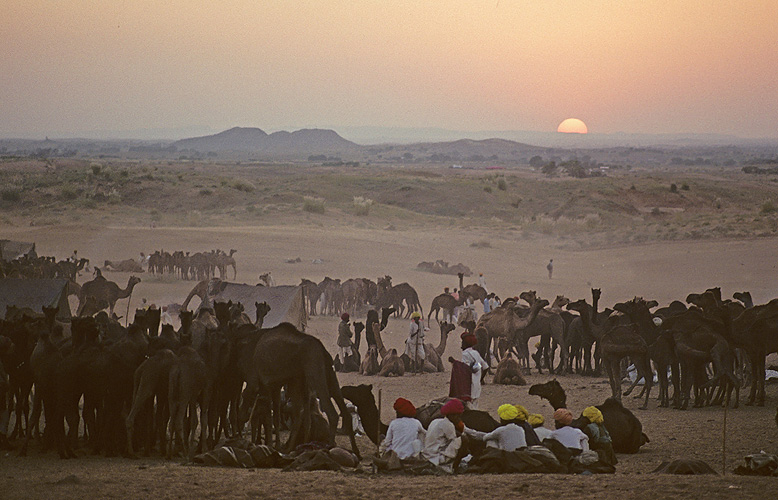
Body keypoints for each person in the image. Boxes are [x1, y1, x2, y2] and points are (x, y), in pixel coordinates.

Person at [423, 399, 465, 473]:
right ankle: (455, 467)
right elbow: (454, 440)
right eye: (457, 416)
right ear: (451, 415)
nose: (459, 419)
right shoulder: (448, 424)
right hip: (437, 457)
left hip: (428, 455)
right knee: (464, 439)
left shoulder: (435, 421)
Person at [460, 332, 487, 409]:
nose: (461, 344)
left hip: (469, 387)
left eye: (462, 342)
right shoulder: (476, 353)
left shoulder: (465, 354)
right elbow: (485, 367)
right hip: (477, 387)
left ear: (465, 344)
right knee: (475, 407)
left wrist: (455, 363)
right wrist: (479, 379)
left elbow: (466, 369)